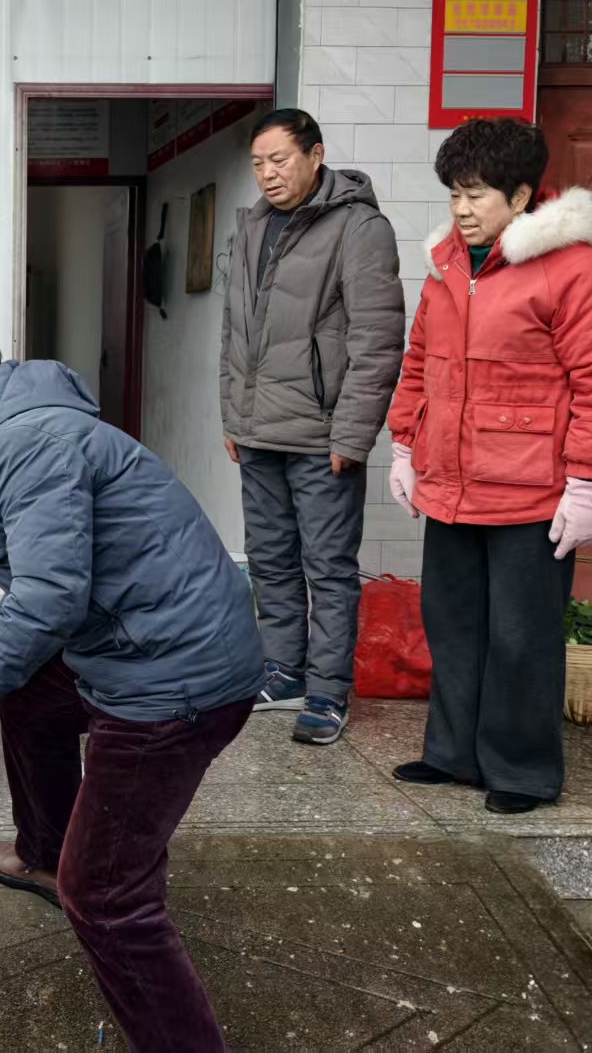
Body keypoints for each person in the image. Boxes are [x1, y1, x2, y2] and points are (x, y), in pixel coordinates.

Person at [0, 307, 264, 1053]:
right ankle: (46, 854)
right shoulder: (24, 428)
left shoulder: (29, 442)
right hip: (143, 642)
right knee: (33, 694)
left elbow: (49, 600)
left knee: (108, 896)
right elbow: (44, 591)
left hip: (172, 683)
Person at [386, 118, 592, 813]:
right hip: (451, 485)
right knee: (453, 625)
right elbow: (419, 362)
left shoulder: (574, 271)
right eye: (454, 195)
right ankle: (453, 754)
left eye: (476, 195)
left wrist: (587, 482)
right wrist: (405, 444)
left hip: (532, 492)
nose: (461, 210)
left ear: (521, 195)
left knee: (522, 638)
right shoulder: (447, 265)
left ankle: (522, 770)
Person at [219, 108, 405, 745]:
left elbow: (377, 342)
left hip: (322, 436)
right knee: (270, 561)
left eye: (279, 160)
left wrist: (352, 435)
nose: (268, 174)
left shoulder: (359, 227)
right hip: (258, 430)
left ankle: (326, 691)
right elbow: (233, 332)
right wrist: (233, 415)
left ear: (315, 155)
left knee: (327, 568)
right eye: (258, 164)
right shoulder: (251, 226)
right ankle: (282, 671)